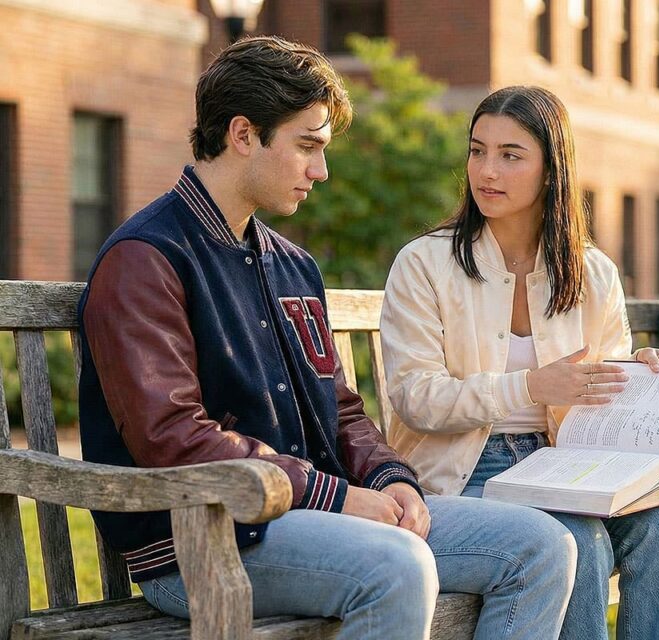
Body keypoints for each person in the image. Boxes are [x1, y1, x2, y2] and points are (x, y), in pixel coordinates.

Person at [77, 37, 577, 640]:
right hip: (205, 538)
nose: (321, 170)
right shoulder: (146, 260)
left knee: (543, 544)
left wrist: (391, 479)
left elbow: (341, 409)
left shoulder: (292, 266)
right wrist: (335, 498)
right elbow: (173, 439)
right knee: (396, 565)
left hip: (318, 514)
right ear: (243, 134)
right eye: (307, 146)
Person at [379, 85, 659, 640]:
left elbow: (604, 385)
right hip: (464, 473)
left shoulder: (591, 272)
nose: (486, 171)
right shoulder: (424, 263)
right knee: (583, 543)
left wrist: (641, 371)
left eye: (510, 155)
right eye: (478, 151)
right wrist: (529, 387)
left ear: (552, 171)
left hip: (565, 467)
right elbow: (415, 397)